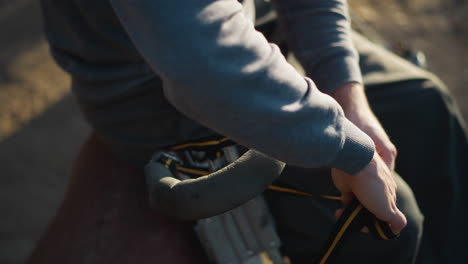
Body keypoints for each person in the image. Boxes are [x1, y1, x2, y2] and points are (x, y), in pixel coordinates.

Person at [29, 0, 467, 263]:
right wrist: (351, 149)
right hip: (154, 89)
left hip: (254, 28)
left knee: (425, 101)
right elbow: (202, 62)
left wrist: (347, 94)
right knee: (387, 225)